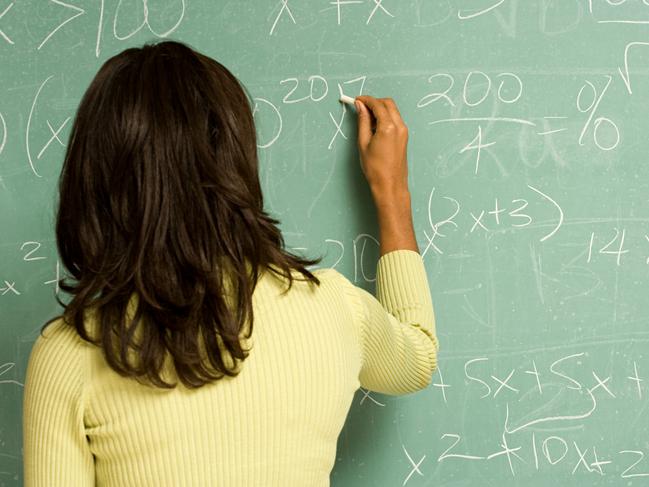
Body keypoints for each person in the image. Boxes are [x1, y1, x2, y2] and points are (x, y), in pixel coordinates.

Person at [22, 40, 439, 486]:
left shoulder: (71, 353)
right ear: (236, 158)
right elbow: (417, 356)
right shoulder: (336, 309)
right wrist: (391, 190)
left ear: (95, 178)